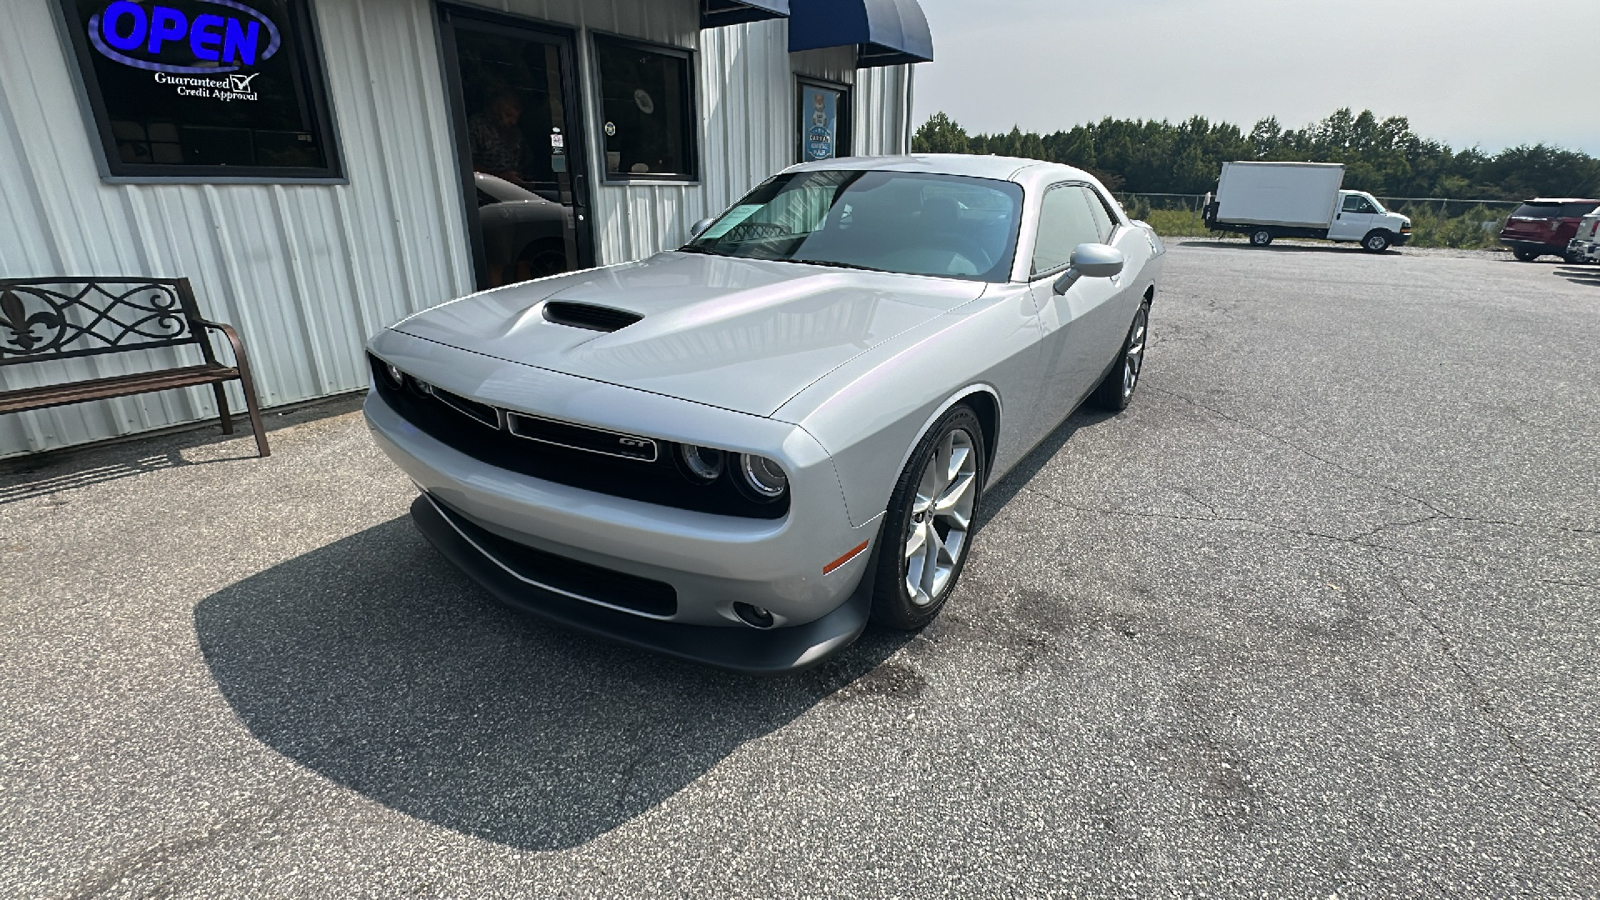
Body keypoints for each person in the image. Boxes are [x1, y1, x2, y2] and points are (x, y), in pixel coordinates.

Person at [468, 92, 525, 183]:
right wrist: (500, 176)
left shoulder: (515, 133)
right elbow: (467, 167)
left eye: (516, 118)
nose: (513, 122)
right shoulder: (477, 126)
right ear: (495, 108)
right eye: (508, 115)